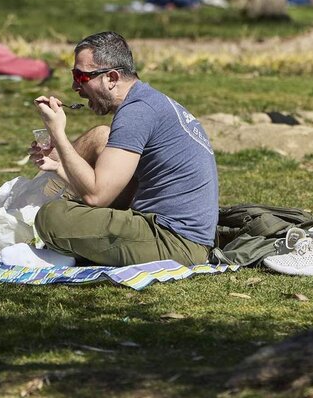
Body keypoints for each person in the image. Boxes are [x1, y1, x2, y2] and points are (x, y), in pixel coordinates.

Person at [30, 31, 219, 266]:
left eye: (81, 77)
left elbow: (97, 196)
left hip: (177, 243)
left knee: (51, 217)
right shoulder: (147, 102)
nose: (74, 86)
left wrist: (58, 133)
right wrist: (58, 166)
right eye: (74, 75)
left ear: (111, 77)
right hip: (181, 236)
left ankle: (63, 253)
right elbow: (113, 188)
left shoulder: (137, 113)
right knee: (69, 209)